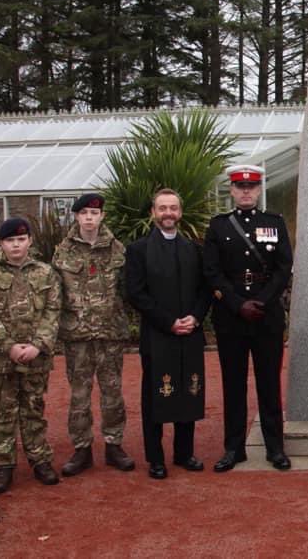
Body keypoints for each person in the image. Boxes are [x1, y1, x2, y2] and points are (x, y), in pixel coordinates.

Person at [204, 165, 293, 472]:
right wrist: (237, 303)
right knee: (233, 384)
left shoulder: (274, 223)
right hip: (231, 317)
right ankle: (233, 448)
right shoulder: (218, 227)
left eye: (251, 187)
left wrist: (262, 300)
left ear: (258, 190)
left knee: (269, 383)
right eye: (240, 187)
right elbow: (211, 272)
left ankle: (275, 448)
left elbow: (284, 268)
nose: (245, 192)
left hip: (266, 316)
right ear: (231, 190)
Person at [125, 189, 210, 480]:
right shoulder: (138, 250)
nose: (168, 213)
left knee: (188, 392)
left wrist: (195, 318)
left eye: (173, 208)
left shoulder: (193, 249)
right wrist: (169, 322)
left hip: (190, 334)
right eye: (162, 208)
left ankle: (184, 453)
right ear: (153, 213)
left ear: (180, 213)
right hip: (158, 336)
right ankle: (156, 458)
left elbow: (205, 290)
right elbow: (135, 293)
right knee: (155, 397)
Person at [0, 217, 62, 493]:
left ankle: (40, 460)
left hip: (36, 355)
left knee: (34, 409)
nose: (16, 245)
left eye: (21, 240)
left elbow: (52, 311)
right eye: (10, 240)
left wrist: (38, 344)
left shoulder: (45, 273)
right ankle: (4, 466)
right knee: (2, 412)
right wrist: (8, 345)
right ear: (1, 243)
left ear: (29, 241)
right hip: (1, 358)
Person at [53, 193, 134, 476]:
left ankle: (114, 445)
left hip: (109, 333)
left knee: (113, 392)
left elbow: (127, 290)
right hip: (77, 337)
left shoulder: (117, 250)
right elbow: (56, 295)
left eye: (94, 213)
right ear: (76, 216)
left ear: (102, 217)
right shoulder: (62, 251)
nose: (89, 217)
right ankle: (82, 449)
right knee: (79, 395)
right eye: (84, 212)